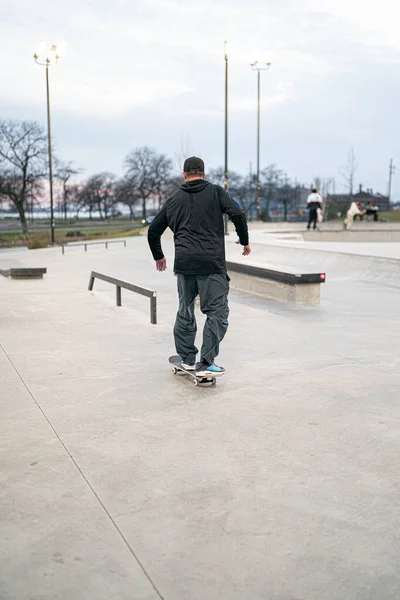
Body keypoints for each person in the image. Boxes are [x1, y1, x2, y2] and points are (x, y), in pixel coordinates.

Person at [148, 156, 251, 377]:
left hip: (185, 264)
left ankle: (187, 359)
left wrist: (159, 256)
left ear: (184, 175)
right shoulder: (215, 192)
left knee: (185, 310)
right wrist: (244, 240)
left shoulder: (174, 198)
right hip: (211, 264)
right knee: (217, 312)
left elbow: (153, 230)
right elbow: (238, 215)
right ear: (203, 173)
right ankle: (206, 362)